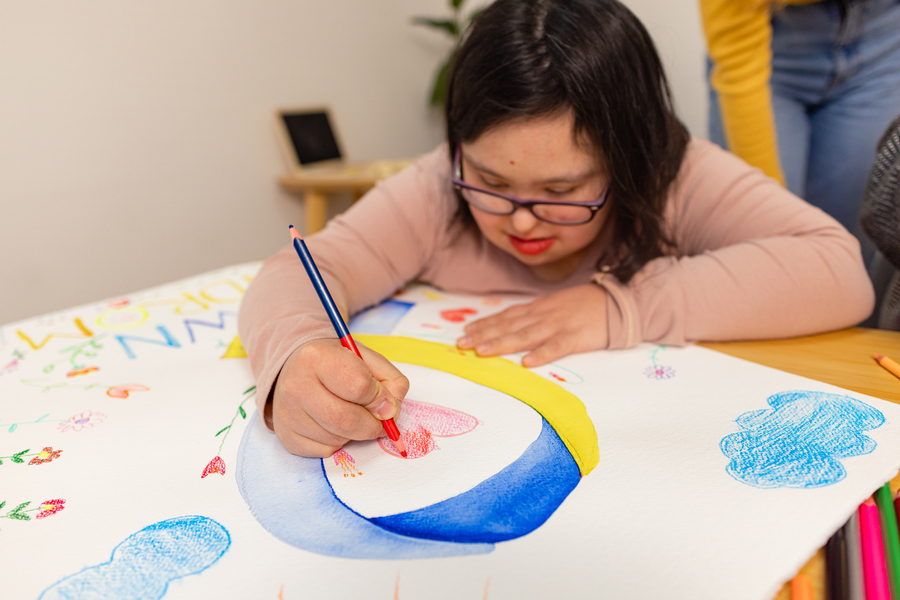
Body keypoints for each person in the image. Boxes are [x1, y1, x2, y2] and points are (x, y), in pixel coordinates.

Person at [239, 0, 874, 458]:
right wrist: (296, 353)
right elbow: (300, 271)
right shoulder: (437, 187)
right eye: (490, 180)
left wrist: (623, 306)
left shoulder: (674, 174)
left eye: (563, 191)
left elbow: (837, 269)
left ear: (629, 159)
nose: (520, 219)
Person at [700, 0, 900, 237]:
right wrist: (773, 232)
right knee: (764, 230)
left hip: (882, 39)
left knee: (852, 241)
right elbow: (740, 68)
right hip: (768, 50)